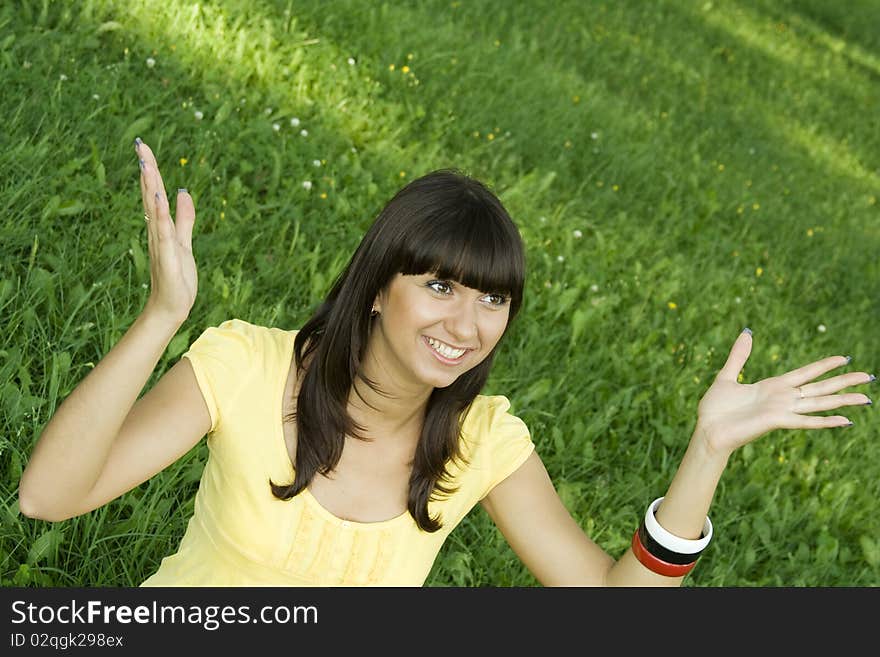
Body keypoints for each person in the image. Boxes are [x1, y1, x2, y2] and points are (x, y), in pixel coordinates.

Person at [18, 139, 874, 587]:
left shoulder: (482, 441)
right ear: (379, 286)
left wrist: (707, 451)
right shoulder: (245, 366)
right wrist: (162, 315)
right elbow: (48, 496)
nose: (467, 323)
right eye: (439, 285)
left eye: (492, 299)